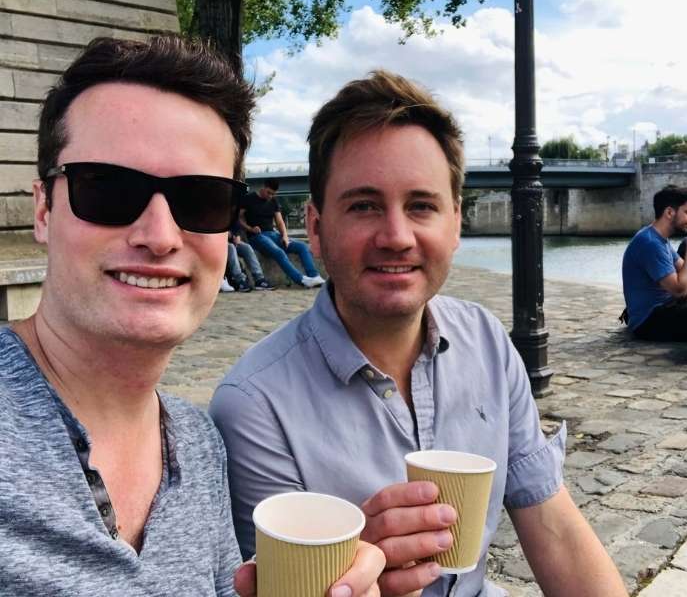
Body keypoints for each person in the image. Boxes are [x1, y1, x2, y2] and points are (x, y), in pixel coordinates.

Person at [210, 70, 627, 597]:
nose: (396, 237)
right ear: (316, 228)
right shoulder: (253, 405)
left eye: (421, 207)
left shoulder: (487, 342)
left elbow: (553, 524)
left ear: (455, 224)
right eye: (363, 205)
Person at [0, 36, 383, 596]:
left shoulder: (200, 444)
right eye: (107, 190)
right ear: (43, 210)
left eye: (201, 200)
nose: (159, 237)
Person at [621, 184, 687, 341]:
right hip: (649, 322)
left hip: (664, 311)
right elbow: (679, 290)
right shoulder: (650, 243)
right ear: (670, 212)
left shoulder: (658, 238)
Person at [239, 178, 325, 288]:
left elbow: (279, 221)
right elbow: (239, 219)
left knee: (302, 246)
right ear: (263, 187)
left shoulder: (273, 201)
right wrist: (250, 228)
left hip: (273, 235)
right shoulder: (249, 199)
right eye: (268, 193)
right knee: (278, 252)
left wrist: (285, 236)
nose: (270, 196)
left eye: (273, 194)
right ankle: (301, 280)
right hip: (257, 236)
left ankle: (314, 276)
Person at [226, 227, 275, 292]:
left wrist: (237, 235)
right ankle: (239, 281)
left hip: (232, 241)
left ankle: (259, 279)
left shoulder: (229, 217)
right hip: (218, 243)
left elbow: (236, 226)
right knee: (231, 248)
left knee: (247, 248)